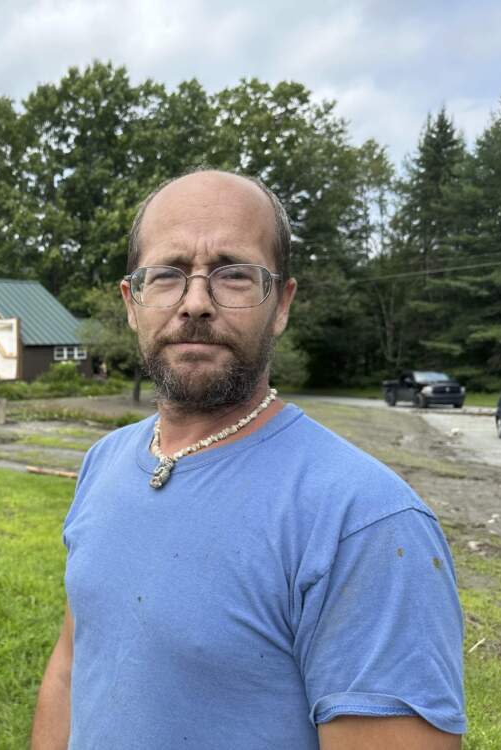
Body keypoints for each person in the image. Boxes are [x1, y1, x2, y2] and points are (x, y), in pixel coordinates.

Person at [31, 170, 465, 750]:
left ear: (281, 303)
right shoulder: (104, 462)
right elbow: (71, 664)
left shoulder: (366, 524)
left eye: (233, 275)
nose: (195, 303)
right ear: (132, 302)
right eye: (168, 274)